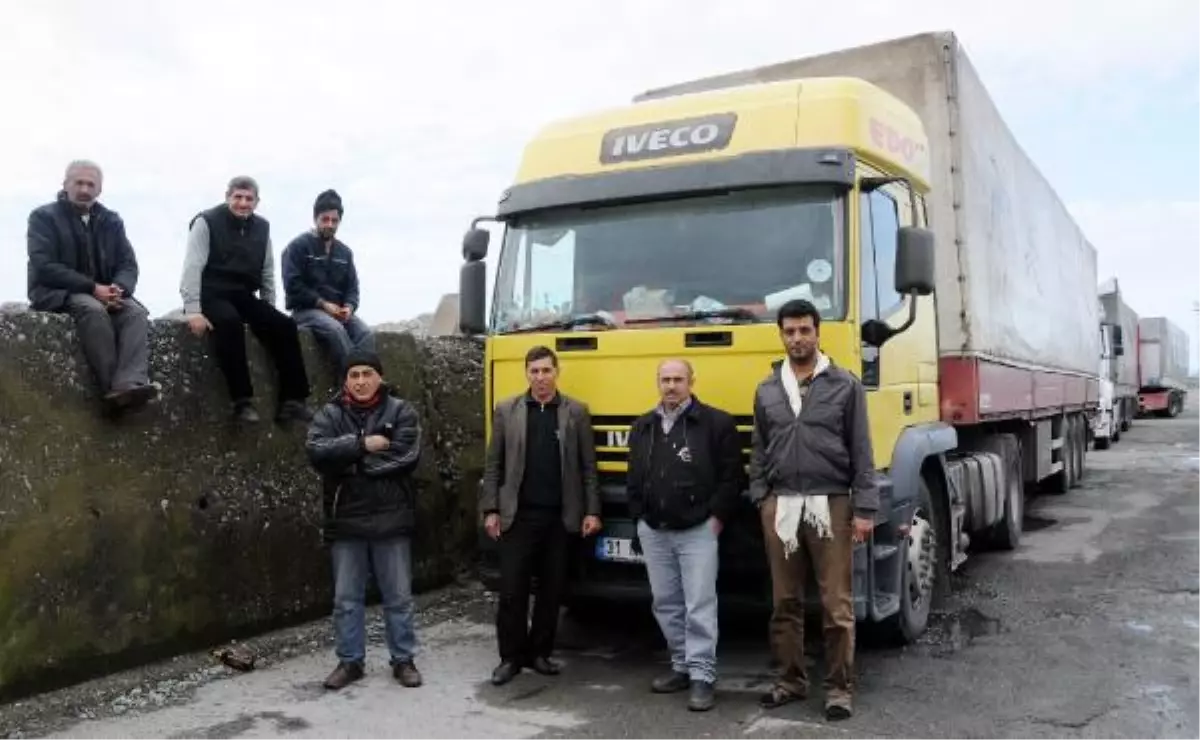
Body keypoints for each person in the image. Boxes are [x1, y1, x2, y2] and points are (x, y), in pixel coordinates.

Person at [747, 298, 878, 721]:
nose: (797, 338)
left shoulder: (844, 384)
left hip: (832, 503)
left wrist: (864, 509)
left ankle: (839, 689)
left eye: (805, 330)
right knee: (784, 600)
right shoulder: (768, 389)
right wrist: (761, 497)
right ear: (781, 335)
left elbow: (862, 449)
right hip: (781, 505)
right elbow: (759, 450)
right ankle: (790, 680)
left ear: (818, 333)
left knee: (835, 604)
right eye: (790, 331)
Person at [480, 345, 602, 686]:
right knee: (512, 592)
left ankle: (540, 653)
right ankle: (510, 658)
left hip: (561, 518)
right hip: (517, 517)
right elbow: (494, 465)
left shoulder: (576, 412)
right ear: (527, 374)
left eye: (546, 370)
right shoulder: (507, 410)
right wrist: (490, 509)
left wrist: (592, 510)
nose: (541, 377)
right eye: (534, 371)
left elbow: (588, 467)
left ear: (556, 372)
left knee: (552, 592)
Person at [625, 359, 741, 712]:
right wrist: (638, 519)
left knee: (699, 605)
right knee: (666, 604)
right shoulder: (643, 426)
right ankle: (681, 666)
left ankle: (703, 677)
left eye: (678, 379)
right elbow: (633, 478)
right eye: (665, 379)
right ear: (657, 383)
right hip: (655, 531)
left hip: (697, 531)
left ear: (692, 381)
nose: (671, 386)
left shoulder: (717, 423)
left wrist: (716, 519)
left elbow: (732, 477)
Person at [304, 349, 424, 691]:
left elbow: (406, 457)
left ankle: (403, 659)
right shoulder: (330, 413)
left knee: (398, 596)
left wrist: (349, 464)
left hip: (392, 517)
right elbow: (316, 452)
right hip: (346, 520)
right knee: (346, 599)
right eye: (353, 375)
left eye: (366, 374)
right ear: (345, 379)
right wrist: (362, 444)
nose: (360, 381)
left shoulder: (402, 411)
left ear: (379, 377)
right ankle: (350, 661)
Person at [26, 160, 157, 415]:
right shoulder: (43, 217)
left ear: (99, 189)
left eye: (91, 184)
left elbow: (128, 264)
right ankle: (114, 389)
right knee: (93, 311)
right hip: (56, 293)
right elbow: (44, 265)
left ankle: (129, 383)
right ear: (65, 184)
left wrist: (118, 289)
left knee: (136, 313)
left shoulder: (111, 220)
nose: (85, 189)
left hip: (104, 293)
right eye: (79, 183)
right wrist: (92, 288)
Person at [179, 175, 312, 424]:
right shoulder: (206, 221)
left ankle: (292, 401)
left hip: (242, 293)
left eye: (248, 198)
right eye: (237, 197)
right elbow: (192, 266)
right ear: (228, 197)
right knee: (229, 323)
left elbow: (267, 271)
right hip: (212, 291)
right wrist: (193, 309)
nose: (243, 203)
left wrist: (268, 309)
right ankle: (242, 402)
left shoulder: (262, 228)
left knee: (284, 326)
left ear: (256, 201)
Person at [282, 189, 375, 372]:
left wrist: (349, 306)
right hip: (306, 311)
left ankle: (366, 385)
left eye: (335, 220)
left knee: (365, 334)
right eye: (325, 219)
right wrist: (323, 304)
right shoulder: (297, 247)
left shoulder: (345, 253)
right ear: (316, 218)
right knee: (335, 331)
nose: (330, 224)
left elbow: (352, 288)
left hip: (338, 312)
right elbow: (293, 286)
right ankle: (351, 385)